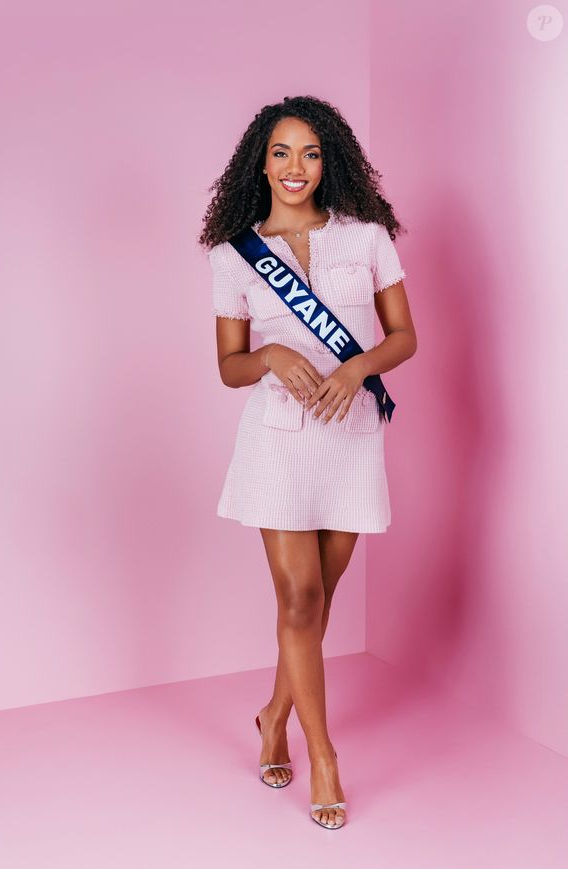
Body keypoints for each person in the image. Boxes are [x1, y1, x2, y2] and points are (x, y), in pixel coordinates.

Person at [198, 95, 417, 829]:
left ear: (332, 163)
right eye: (283, 153)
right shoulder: (234, 254)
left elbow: (403, 337)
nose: (297, 167)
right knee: (299, 602)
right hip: (278, 441)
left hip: (351, 435)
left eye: (312, 153)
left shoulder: (369, 238)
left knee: (318, 600)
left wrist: (356, 372)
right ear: (260, 161)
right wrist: (269, 353)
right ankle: (321, 754)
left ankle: (271, 713)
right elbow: (229, 367)